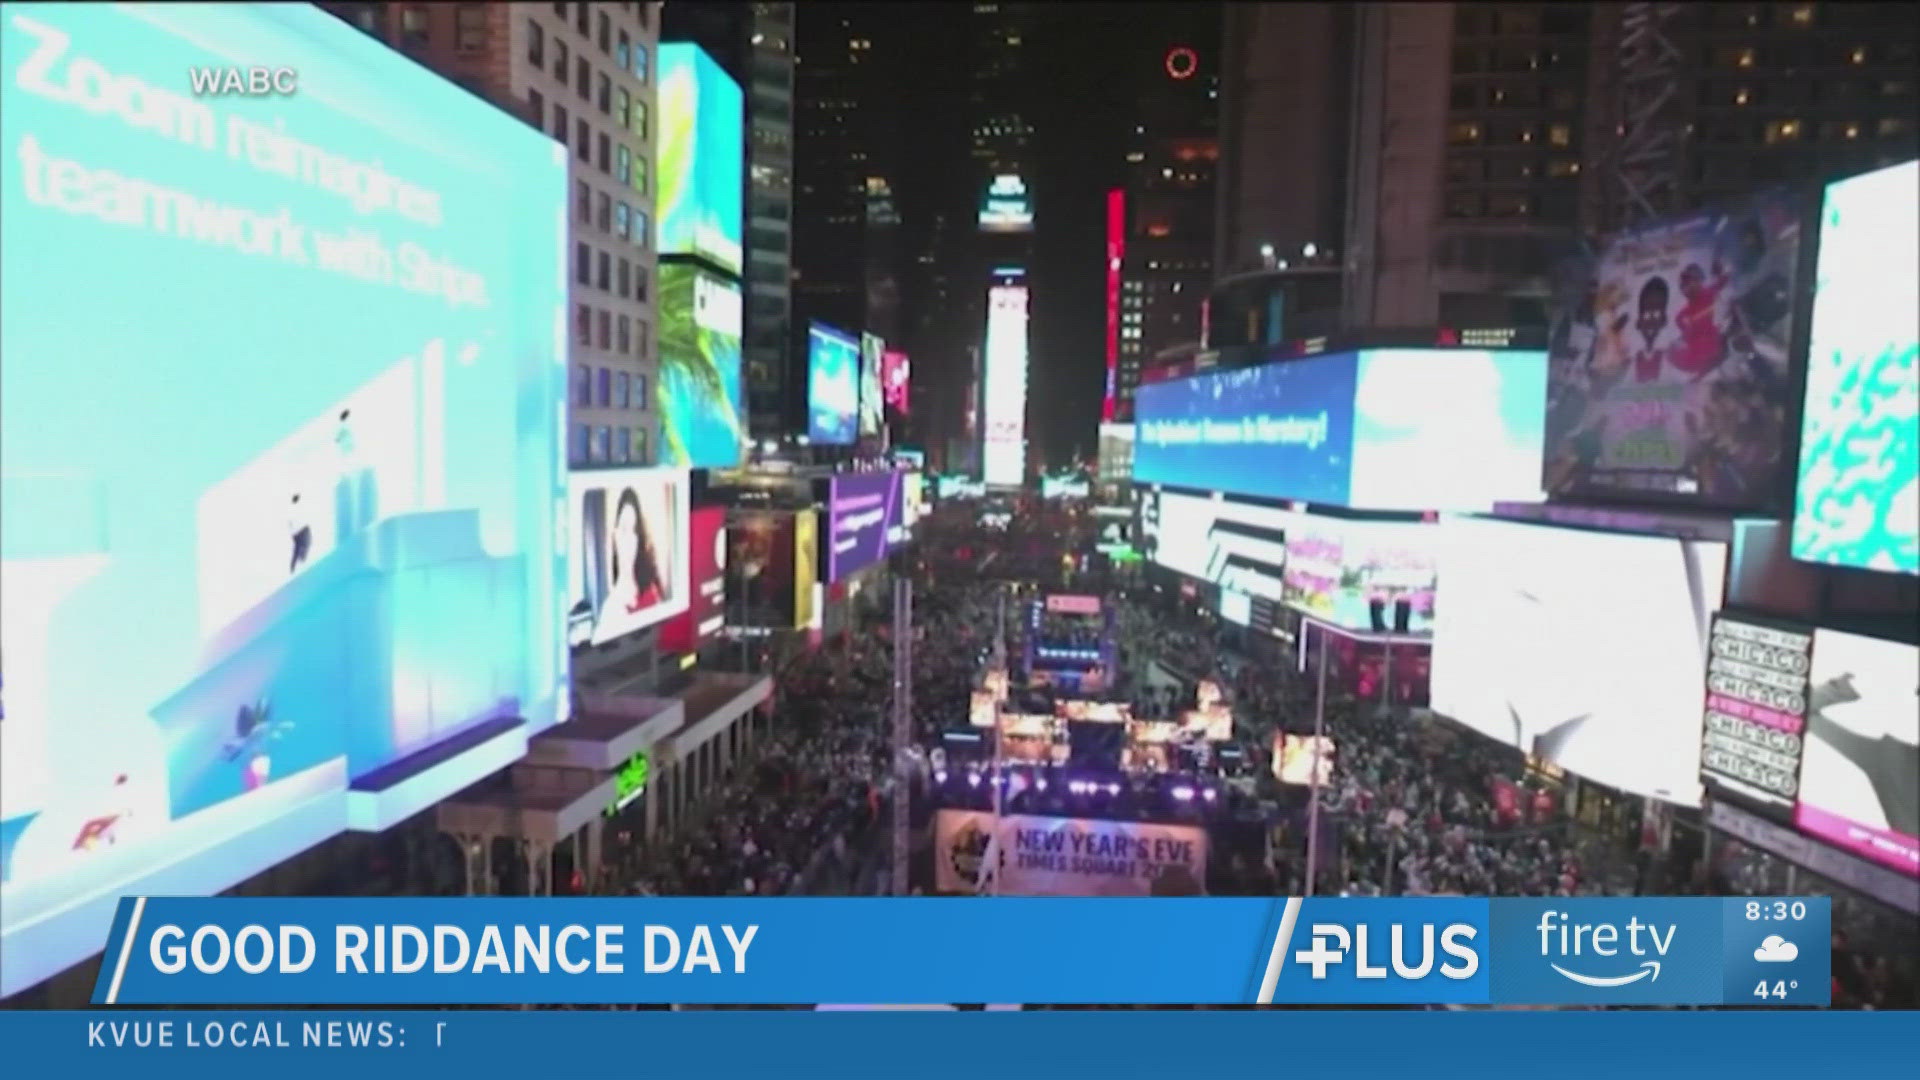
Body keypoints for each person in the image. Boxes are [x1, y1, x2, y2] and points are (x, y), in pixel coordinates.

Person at [611, 487, 667, 615]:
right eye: (624, 528)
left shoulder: (651, 591)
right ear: (615, 534)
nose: (628, 540)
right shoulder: (610, 606)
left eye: (634, 530)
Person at [288, 493, 313, 573]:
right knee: (301, 550)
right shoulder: (294, 509)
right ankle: (296, 567)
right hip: (301, 532)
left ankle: (294, 567)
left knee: (298, 552)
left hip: (298, 533)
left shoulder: (293, 510)